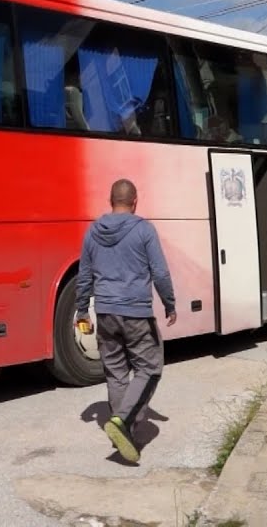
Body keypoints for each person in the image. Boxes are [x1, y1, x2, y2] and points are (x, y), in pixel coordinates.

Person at [75, 178, 177, 463]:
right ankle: (123, 421)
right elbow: (160, 272)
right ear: (135, 201)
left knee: (116, 373)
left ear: (111, 201)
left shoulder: (92, 232)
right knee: (150, 367)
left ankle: (124, 431)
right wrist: (169, 303)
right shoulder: (143, 229)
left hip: (105, 312)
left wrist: (82, 310)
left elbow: (84, 276)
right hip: (135, 312)